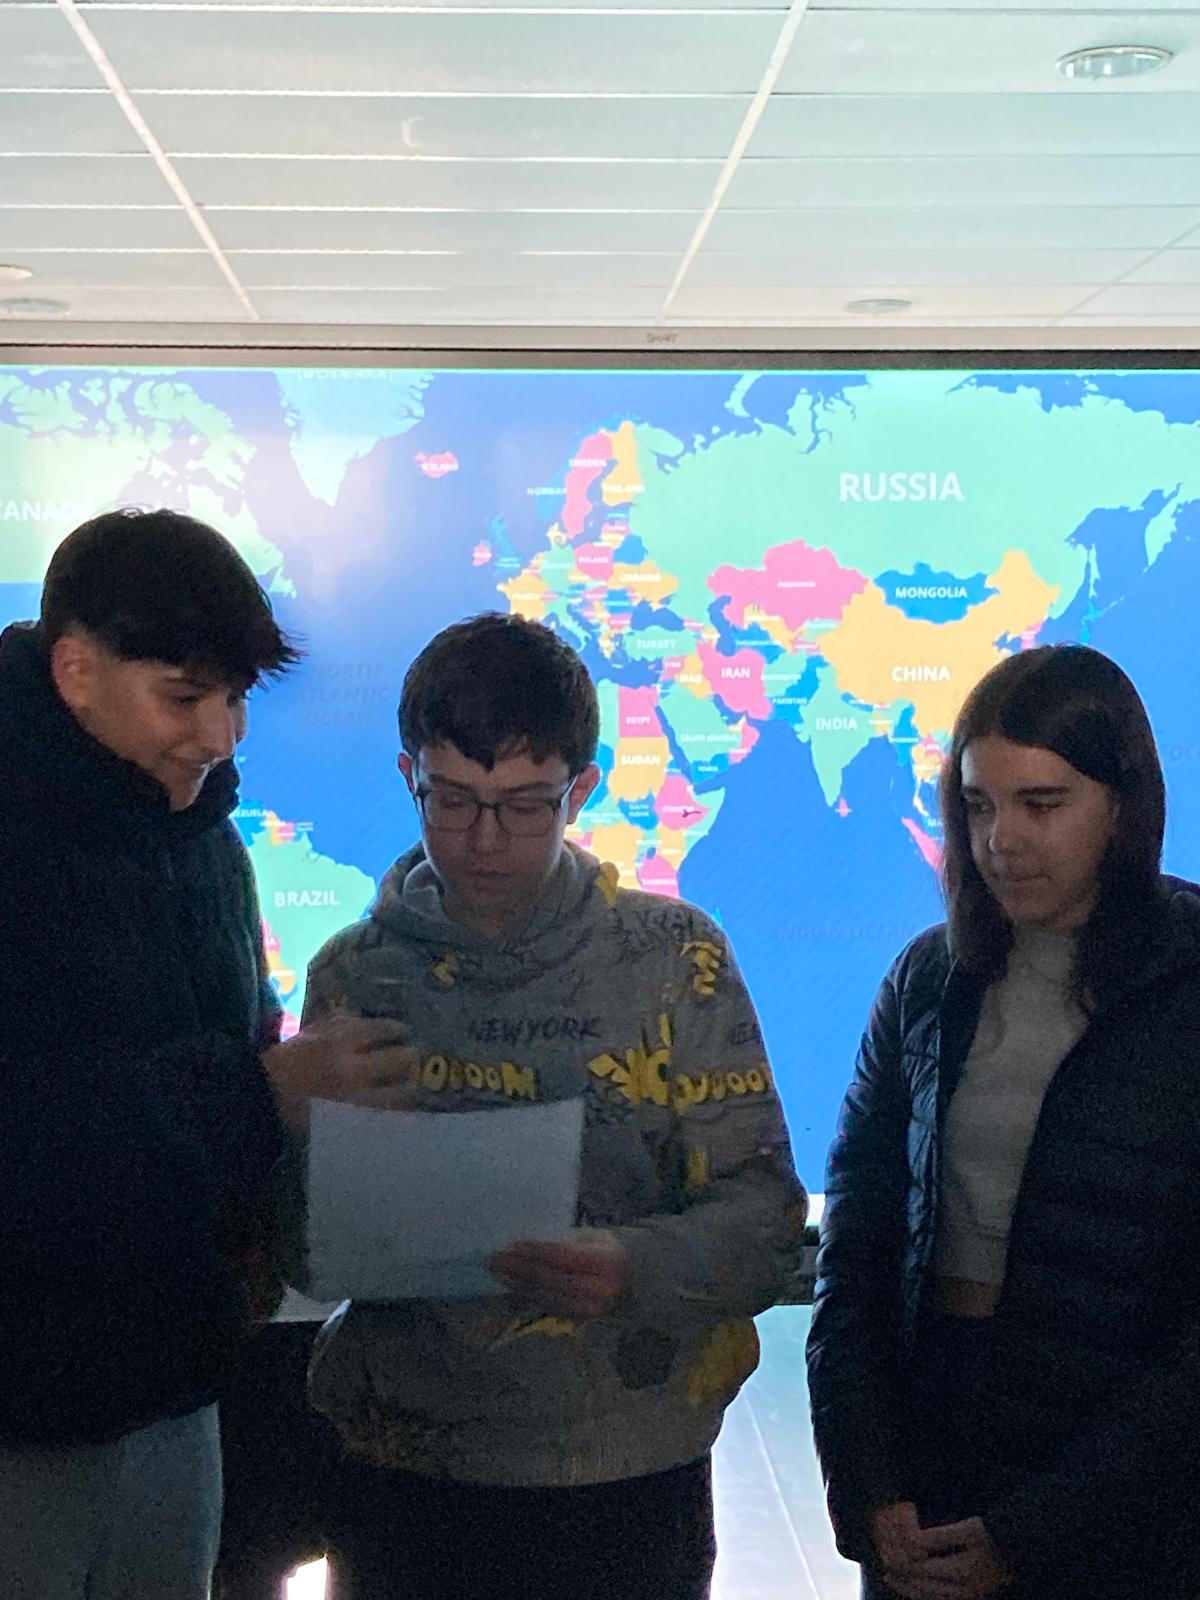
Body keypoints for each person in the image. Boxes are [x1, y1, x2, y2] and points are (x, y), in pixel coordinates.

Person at [288, 611, 807, 1600]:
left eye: (525, 806)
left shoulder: (674, 959)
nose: (484, 839)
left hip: (621, 1474)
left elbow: (769, 1224)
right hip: (403, 1472)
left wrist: (631, 1264)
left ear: (583, 789)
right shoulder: (352, 975)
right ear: (407, 777)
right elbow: (295, 1244)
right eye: (452, 800)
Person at [0, 507, 409, 1600]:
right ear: (75, 671)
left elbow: (238, 1045)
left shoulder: (207, 844)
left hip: (177, 1384)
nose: (220, 735)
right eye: (184, 698)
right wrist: (263, 1090)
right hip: (22, 1408)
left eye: (234, 699)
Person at [807, 643, 1200, 1600]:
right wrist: (868, 1485)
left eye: (1042, 804)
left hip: (1124, 1476)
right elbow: (857, 1247)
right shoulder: (927, 979)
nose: (1001, 841)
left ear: (1124, 805)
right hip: (930, 1435)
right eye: (979, 805)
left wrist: (1034, 1534)